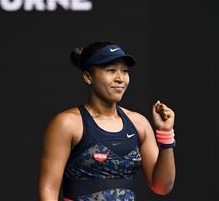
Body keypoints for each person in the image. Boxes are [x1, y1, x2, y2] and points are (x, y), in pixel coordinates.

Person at [38, 41, 176, 201]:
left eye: (124, 71)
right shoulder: (67, 123)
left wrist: (166, 134)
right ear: (88, 77)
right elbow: (49, 189)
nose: (120, 78)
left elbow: (162, 186)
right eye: (111, 70)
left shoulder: (139, 123)